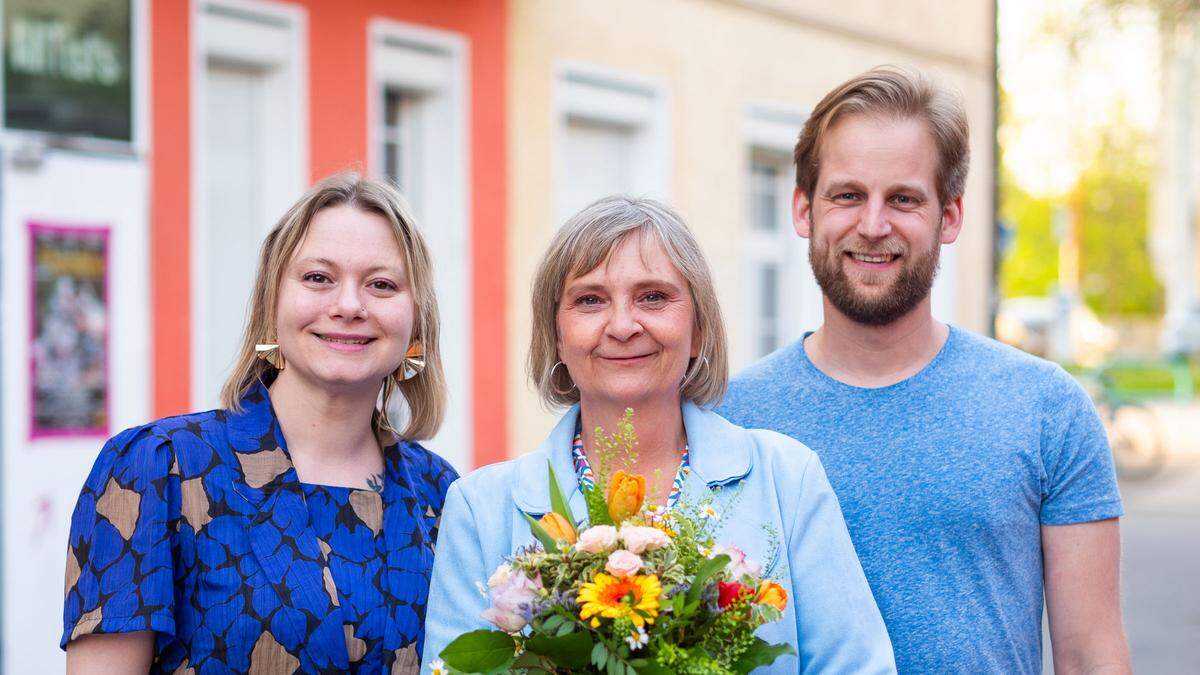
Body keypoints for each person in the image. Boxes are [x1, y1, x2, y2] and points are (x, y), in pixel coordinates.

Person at [718, 67, 1131, 673]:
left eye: (904, 199)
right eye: (848, 195)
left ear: (951, 216)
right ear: (804, 208)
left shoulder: (1046, 408)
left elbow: (1091, 656)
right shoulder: (730, 419)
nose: (873, 225)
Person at [424, 196, 896, 673]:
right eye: (590, 300)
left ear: (697, 329)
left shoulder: (788, 479)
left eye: (653, 297)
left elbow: (856, 665)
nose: (624, 326)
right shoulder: (479, 508)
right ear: (557, 337)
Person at [61, 174, 458, 674]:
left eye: (381, 285)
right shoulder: (156, 468)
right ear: (272, 304)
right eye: (318, 278)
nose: (349, 306)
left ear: (417, 323)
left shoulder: (440, 495)